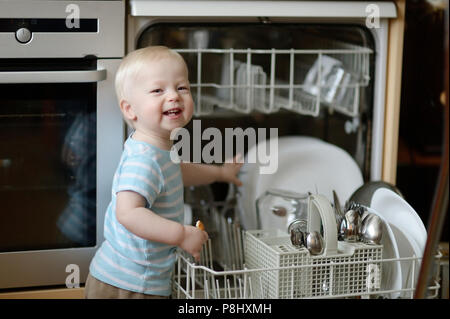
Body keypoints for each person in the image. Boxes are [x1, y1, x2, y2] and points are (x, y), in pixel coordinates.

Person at [84, 46, 243, 299]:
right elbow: (128, 212)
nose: (174, 96)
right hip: (129, 284)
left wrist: (220, 173)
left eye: (182, 88)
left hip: (136, 279)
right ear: (130, 110)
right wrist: (180, 234)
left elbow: (179, 172)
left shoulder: (158, 149)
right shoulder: (144, 160)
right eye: (158, 90)